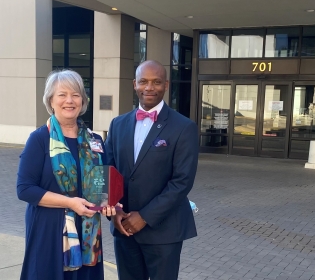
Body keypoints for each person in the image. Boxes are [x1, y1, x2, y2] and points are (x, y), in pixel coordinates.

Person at [17, 69, 117, 280]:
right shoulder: (39, 139)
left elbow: (101, 186)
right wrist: (70, 203)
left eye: (76, 94)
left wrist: (109, 205)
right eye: (62, 95)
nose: (69, 101)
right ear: (51, 101)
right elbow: (25, 189)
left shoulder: (95, 140)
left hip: (88, 231)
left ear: (83, 100)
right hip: (50, 231)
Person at [105, 60, 199, 280]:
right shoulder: (117, 124)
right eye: (144, 81)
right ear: (134, 84)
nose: (149, 87)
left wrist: (145, 217)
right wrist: (115, 212)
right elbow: (108, 171)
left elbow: (182, 182)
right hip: (124, 228)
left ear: (166, 85)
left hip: (163, 231)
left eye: (156, 82)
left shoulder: (184, 127)